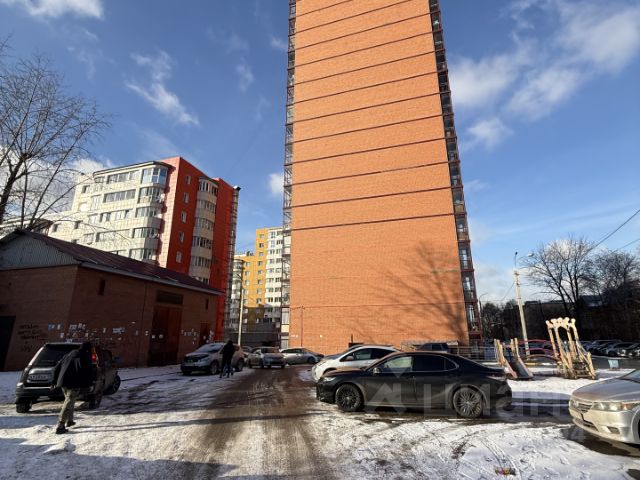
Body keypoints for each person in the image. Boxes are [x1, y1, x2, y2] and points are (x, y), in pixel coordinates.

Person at [51, 342, 94, 434]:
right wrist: (90, 384)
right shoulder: (85, 355)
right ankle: (60, 425)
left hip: (63, 382)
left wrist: (53, 381)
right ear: (88, 349)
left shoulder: (68, 354)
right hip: (74, 382)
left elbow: (56, 368)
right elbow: (88, 370)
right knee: (69, 402)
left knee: (70, 400)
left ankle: (69, 421)